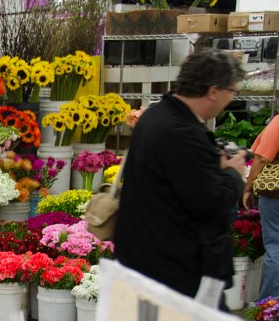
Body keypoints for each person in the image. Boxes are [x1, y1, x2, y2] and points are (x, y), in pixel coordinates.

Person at [115, 49, 247, 305]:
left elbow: (177, 181)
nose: (231, 99)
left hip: (145, 259)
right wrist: (233, 173)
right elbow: (209, 202)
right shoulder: (182, 132)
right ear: (212, 90)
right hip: (175, 270)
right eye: (231, 92)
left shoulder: (156, 114)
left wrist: (208, 166)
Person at [244, 115, 279, 299]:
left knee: (276, 247)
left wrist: (247, 188)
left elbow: (262, 159)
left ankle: (270, 307)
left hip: (276, 193)